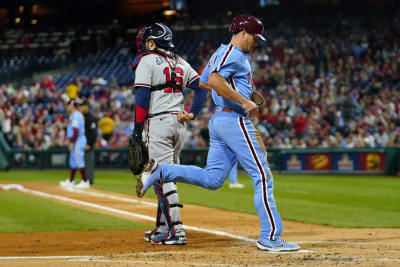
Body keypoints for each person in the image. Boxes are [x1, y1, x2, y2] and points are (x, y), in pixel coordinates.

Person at [136, 14, 300, 252]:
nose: (258, 42)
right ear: (243, 33)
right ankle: (270, 236)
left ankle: (161, 170)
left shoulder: (221, 52)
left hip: (221, 120)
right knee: (263, 177)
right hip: (234, 121)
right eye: (255, 37)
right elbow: (212, 79)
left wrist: (235, 97)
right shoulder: (234, 53)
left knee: (212, 179)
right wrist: (244, 101)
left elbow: (205, 80)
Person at [131, 23, 209, 245]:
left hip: (158, 123)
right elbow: (201, 87)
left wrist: (137, 129)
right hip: (178, 125)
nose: (145, 44)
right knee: (163, 176)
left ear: (152, 42)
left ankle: (177, 230)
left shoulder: (146, 61)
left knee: (162, 176)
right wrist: (193, 114)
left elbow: (142, 99)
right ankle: (163, 227)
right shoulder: (180, 62)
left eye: (148, 41)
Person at [60, 98, 90, 189]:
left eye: (68, 105)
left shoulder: (76, 115)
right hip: (76, 140)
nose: (67, 107)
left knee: (79, 160)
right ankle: (71, 181)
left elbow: (76, 131)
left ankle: (85, 181)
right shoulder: (74, 115)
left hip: (77, 140)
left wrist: (72, 142)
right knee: (73, 161)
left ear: (72, 105)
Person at [79, 99, 98, 185]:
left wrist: (89, 144)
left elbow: (94, 133)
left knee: (88, 163)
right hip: (83, 144)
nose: (81, 108)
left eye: (82, 106)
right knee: (84, 163)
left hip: (88, 144)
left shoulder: (91, 117)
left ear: (87, 107)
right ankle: (85, 180)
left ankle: (89, 180)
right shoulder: (83, 116)